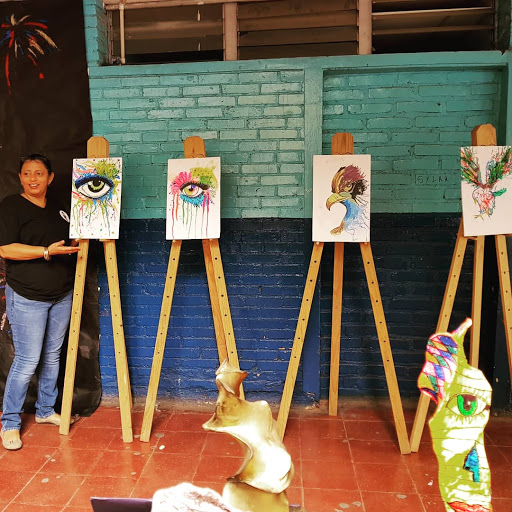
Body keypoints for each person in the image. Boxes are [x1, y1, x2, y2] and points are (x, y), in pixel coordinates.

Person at [0, 154, 80, 450]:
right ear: (20, 177)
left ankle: (46, 411)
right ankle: (9, 422)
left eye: (39, 173)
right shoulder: (11, 206)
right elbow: (6, 249)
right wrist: (45, 252)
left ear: (51, 177)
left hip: (61, 294)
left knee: (52, 355)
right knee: (27, 360)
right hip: (26, 297)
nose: (33, 178)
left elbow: (65, 244)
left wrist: (76, 244)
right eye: (26, 173)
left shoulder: (60, 207)